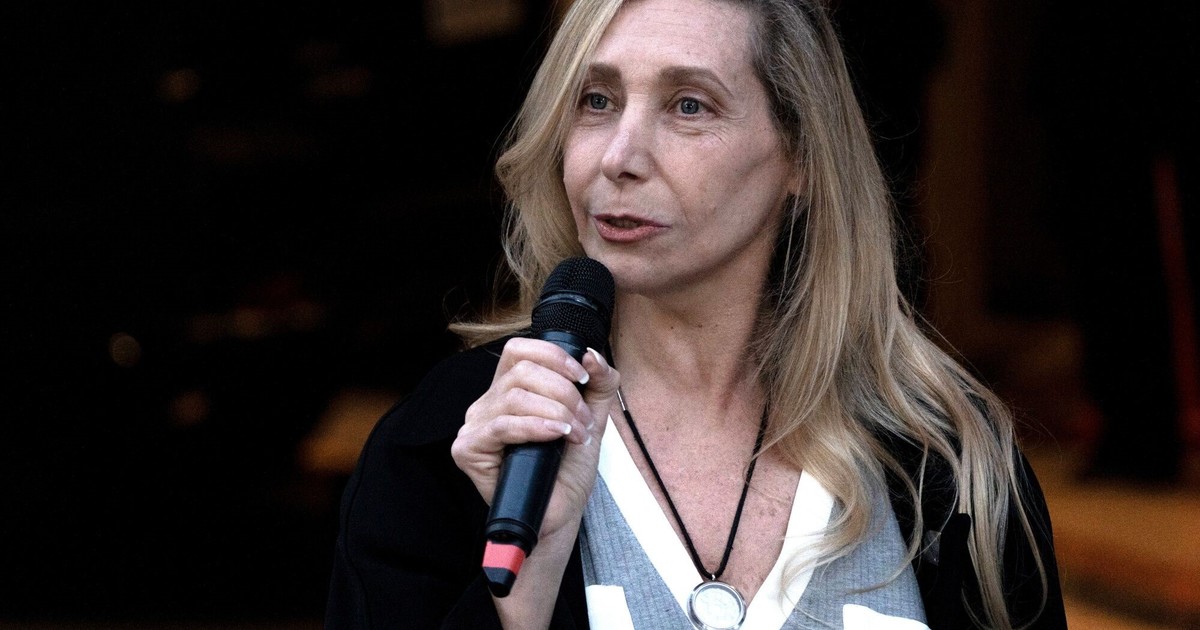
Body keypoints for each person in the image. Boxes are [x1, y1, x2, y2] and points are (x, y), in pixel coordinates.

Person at [325, 0, 1067, 628]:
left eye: (689, 105)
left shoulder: (944, 460)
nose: (620, 155)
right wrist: (522, 593)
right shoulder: (456, 444)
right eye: (596, 100)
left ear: (801, 156)